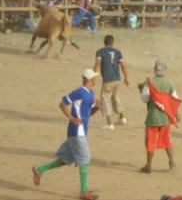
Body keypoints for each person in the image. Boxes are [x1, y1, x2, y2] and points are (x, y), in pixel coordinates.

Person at [31, 69, 100, 200]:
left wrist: (97, 107)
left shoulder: (90, 93)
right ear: (88, 80)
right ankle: (84, 192)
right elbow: (62, 104)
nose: (95, 80)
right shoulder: (79, 92)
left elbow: (87, 114)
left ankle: (39, 169)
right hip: (76, 133)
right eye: (93, 78)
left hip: (79, 132)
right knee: (84, 159)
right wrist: (71, 118)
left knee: (65, 160)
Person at [138, 60, 181, 174]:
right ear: (164, 70)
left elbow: (145, 99)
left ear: (155, 70)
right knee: (166, 139)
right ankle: (172, 162)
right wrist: (176, 113)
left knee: (150, 141)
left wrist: (140, 89)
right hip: (165, 117)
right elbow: (174, 99)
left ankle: (149, 166)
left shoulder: (149, 82)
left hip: (152, 117)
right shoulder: (169, 83)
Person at [94, 35, 129, 129]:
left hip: (108, 80)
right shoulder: (118, 52)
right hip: (117, 79)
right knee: (115, 97)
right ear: (112, 43)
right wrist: (126, 77)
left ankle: (109, 124)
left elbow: (97, 63)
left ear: (104, 42)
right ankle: (122, 117)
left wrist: (93, 75)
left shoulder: (100, 51)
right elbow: (123, 65)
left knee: (105, 99)